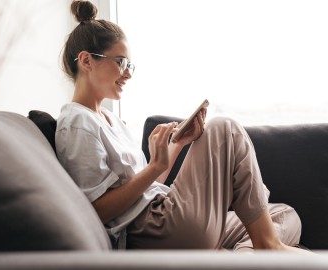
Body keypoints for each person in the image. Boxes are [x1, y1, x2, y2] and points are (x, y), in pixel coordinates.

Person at [56, 0, 307, 252]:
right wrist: (155, 166)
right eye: (121, 62)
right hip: (152, 229)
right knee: (224, 129)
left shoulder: (110, 120)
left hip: (163, 213)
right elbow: (96, 211)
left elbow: (144, 189)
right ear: (87, 61)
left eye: (129, 65)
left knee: (285, 215)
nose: (128, 73)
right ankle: (268, 246)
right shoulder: (78, 123)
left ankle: (244, 256)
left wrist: (177, 145)